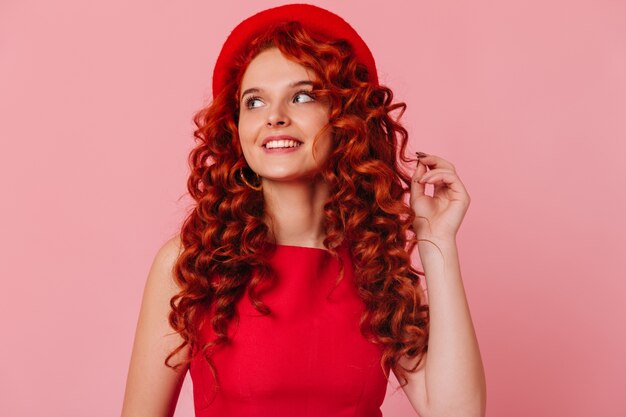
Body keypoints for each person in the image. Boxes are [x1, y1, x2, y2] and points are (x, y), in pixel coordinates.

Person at [121, 4, 486, 417]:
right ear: (235, 126)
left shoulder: (375, 265)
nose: (275, 117)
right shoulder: (191, 265)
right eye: (254, 102)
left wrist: (436, 241)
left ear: (345, 118)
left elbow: (458, 413)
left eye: (302, 96)